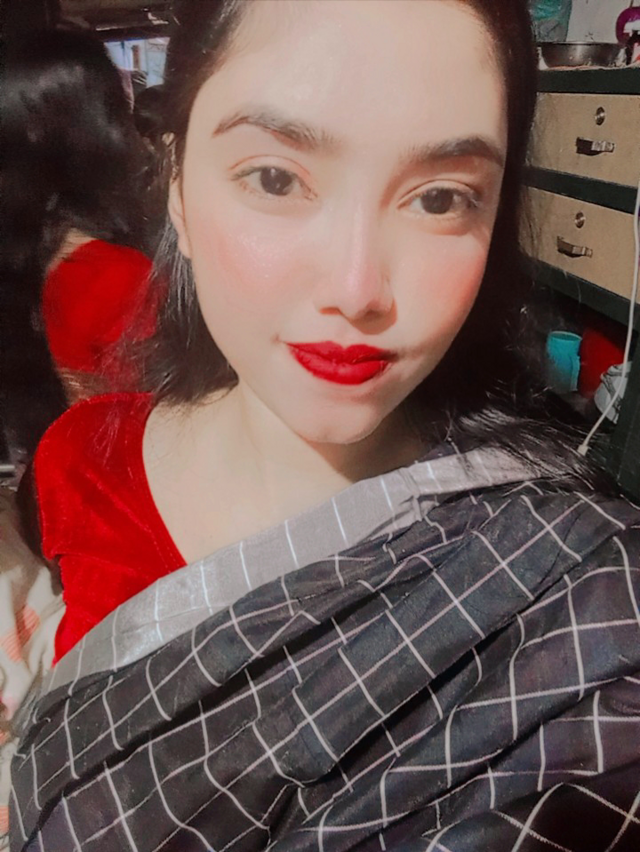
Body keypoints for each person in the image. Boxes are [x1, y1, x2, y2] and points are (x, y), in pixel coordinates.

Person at [10, 2, 640, 850]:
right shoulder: (83, 460)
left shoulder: (578, 598)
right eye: (275, 178)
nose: (356, 287)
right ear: (179, 189)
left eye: (441, 197)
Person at [0, 28, 155, 457]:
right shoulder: (112, 276)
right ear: (99, 128)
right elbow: (165, 428)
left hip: (54, 473)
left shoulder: (29, 255)